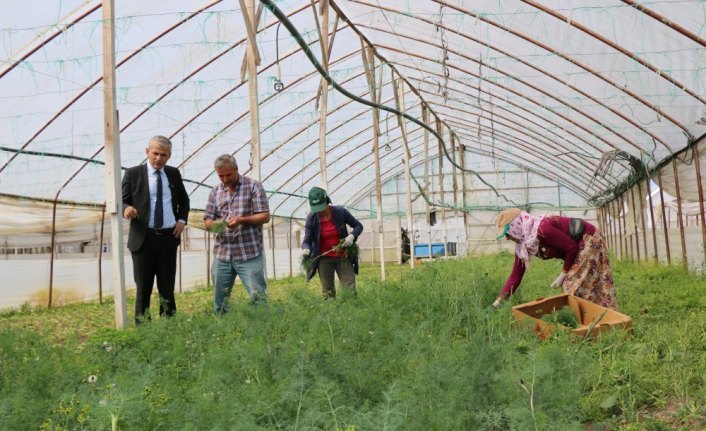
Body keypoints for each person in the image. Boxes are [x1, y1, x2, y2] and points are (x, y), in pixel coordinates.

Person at [122, 135, 190, 324]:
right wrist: (126, 208)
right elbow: (122, 200)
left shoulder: (173, 174)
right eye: (155, 154)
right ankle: (143, 327)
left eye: (163, 155)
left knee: (167, 287)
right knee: (143, 287)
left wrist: (182, 220)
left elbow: (184, 201)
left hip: (168, 238)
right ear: (147, 152)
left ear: (169, 156)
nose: (159, 158)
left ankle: (168, 325)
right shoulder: (133, 173)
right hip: (144, 239)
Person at [492, 208, 617, 310]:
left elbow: (571, 247)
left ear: (516, 226)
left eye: (508, 233)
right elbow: (515, 276)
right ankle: (598, 314)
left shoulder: (542, 229)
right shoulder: (523, 247)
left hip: (588, 239)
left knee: (572, 284)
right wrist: (499, 301)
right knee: (584, 283)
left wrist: (563, 274)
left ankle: (587, 318)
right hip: (577, 246)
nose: (508, 238)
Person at [203, 154, 270, 313]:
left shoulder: (253, 186)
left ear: (236, 169)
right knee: (220, 299)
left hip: (249, 253)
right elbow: (207, 219)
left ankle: (263, 328)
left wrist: (241, 220)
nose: (225, 179)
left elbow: (265, 216)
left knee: (257, 297)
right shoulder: (215, 192)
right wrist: (213, 224)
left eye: (228, 175)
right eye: (221, 176)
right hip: (223, 254)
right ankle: (222, 327)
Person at [302, 187, 363, 299]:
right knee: (328, 291)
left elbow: (358, 226)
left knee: (349, 288)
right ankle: (333, 314)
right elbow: (307, 240)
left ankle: (352, 312)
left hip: (343, 256)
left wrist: (351, 236)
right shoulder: (312, 218)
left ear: (327, 202)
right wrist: (305, 248)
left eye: (321, 207)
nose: (320, 211)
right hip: (324, 258)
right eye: (317, 209)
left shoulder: (340, 212)